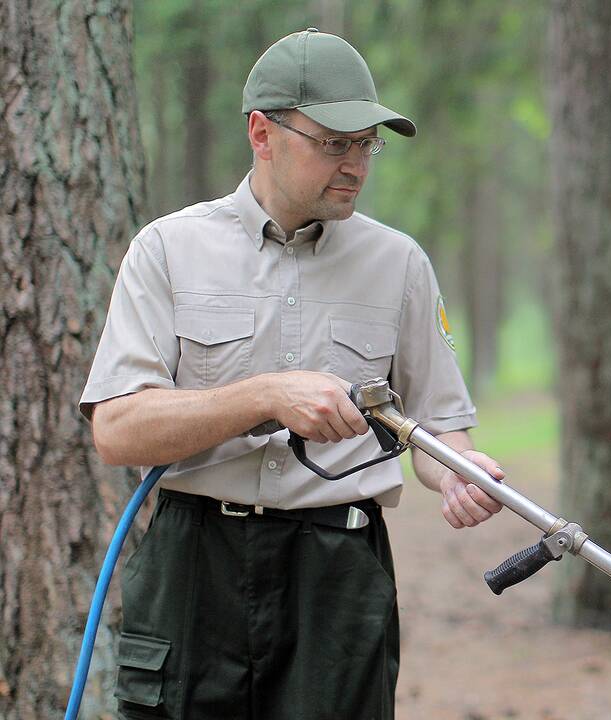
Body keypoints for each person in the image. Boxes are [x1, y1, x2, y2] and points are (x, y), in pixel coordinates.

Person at [80, 28, 503, 720]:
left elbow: (440, 426)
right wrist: (265, 395)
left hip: (337, 574)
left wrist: (457, 470)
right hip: (194, 566)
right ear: (261, 132)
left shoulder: (399, 266)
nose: (356, 165)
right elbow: (118, 430)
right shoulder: (168, 251)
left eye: (367, 143)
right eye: (333, 143)